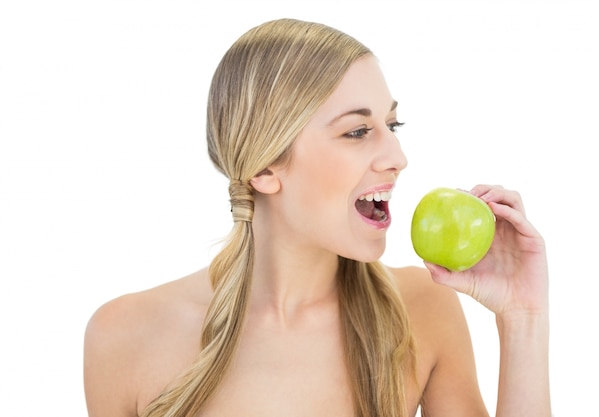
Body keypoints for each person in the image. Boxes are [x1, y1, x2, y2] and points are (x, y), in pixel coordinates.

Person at [83, 18, 551, 417]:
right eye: (358, 131)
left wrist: (523, 318)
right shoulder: (124, 336)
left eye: (393, 125)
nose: (398, 157)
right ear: (265, 167)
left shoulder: (422, 311)